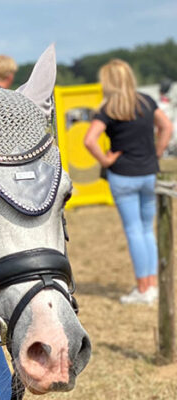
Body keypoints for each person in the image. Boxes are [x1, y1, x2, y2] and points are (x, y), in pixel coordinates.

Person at [84, 59, 173, 305]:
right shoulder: (146, 101)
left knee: (134, 232)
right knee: (147, 230)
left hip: (123, 175)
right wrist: (156, 153)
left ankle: (143, 289)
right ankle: (152, 285)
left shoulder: (108, 108)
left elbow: (90, 140)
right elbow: (166, 127)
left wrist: (106, 160)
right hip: (148, 173)